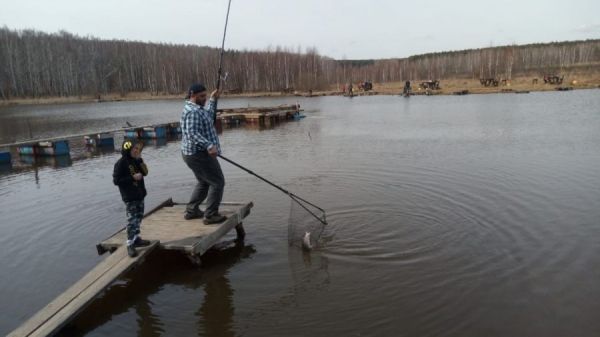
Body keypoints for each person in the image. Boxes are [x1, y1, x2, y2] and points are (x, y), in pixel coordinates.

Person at [181, 83, 227, 225]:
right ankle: (210, 215)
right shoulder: (192, 112)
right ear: (192, 95)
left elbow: (208, 116)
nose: (204, 98)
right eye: (202, 96)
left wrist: (213, 100)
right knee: (217, 182)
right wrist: (209, 145)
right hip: (199, 154)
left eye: (205, 96)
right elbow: (192, 133)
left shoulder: (198, 108)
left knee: (204, 182)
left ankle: (192, 210)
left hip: (195, 153)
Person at [113, 140, 150, 257]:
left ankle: (136, 238)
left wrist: (140, 161)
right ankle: (130, 244)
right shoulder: (120, 163)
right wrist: (132, 177)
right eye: (135, 149)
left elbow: (145, 173)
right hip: (130, 197)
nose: (137, 151)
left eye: (138, 149)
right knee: (131, 220)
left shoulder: (136, 160)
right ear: (128, 149)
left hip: (140, 194)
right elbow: (116, 181)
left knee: (139, 217)